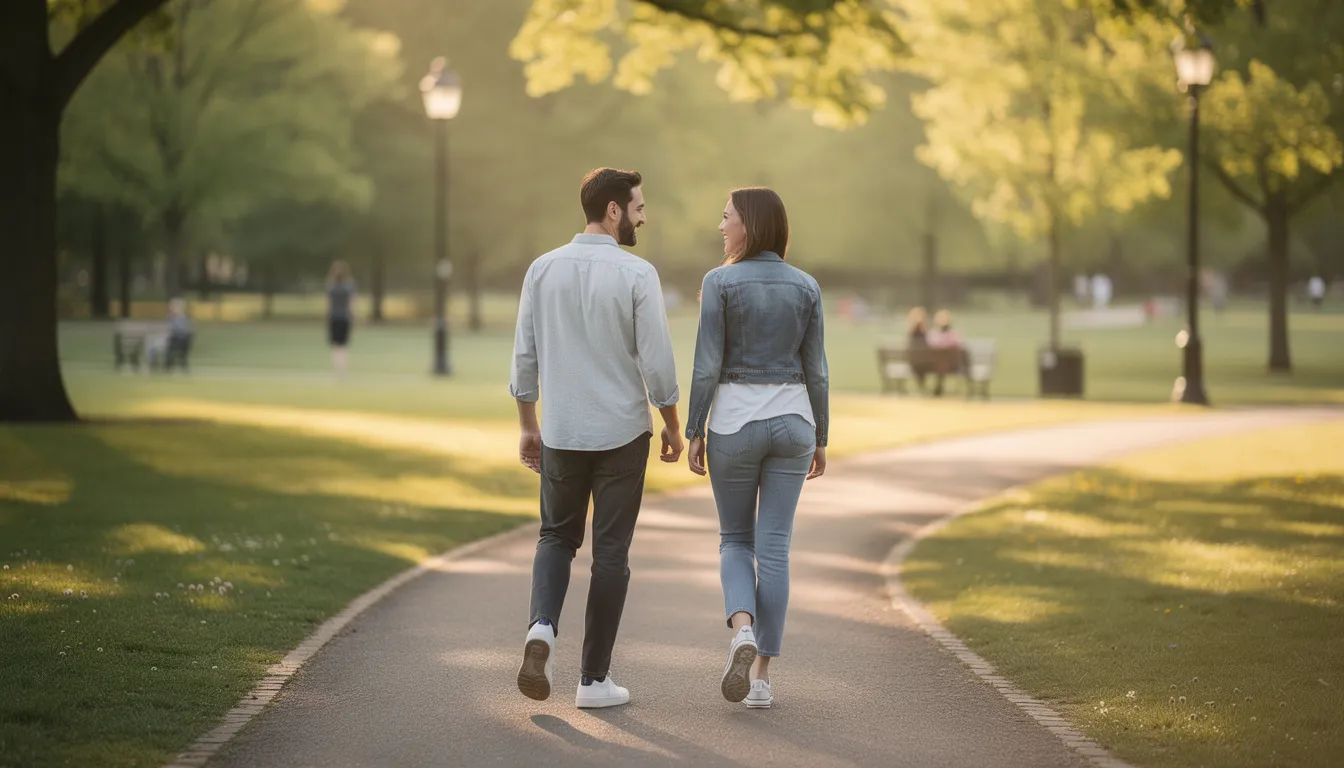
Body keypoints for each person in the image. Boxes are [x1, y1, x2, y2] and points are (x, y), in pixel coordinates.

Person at [510, 168, 683, 709]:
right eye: (637, 207)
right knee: (611, 551)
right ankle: (593, 681)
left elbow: (525, 355)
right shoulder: (637, 274)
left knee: (555, 538)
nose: (642, 215)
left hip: (562, 430)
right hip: (621, 433)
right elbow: (656, 361)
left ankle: (541, 629)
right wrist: (673, 423)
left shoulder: (542, 269)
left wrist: (527, 425)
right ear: (613, 210)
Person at [685, 187, 829, 710]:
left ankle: (741, 630)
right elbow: (816, 369)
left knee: (735, 541)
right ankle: (762, 678)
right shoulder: (807, 285)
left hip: (735, 425)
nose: (721, 226)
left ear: (748, 224)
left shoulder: (719, 282)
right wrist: (822, 437)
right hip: (794, 424)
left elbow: (707, 365)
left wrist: (694, 428)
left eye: (726, 218)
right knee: (775, 551)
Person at [326, 261, 356, 376]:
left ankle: (337, 369)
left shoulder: (331, 286)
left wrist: (328, 317)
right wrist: (353, 316)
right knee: (343, 346)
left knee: (336, 346)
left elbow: (328, 305)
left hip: (335, 318)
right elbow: (351, 304)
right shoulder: (349, 286)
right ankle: (342, 370)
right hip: (344, 318)